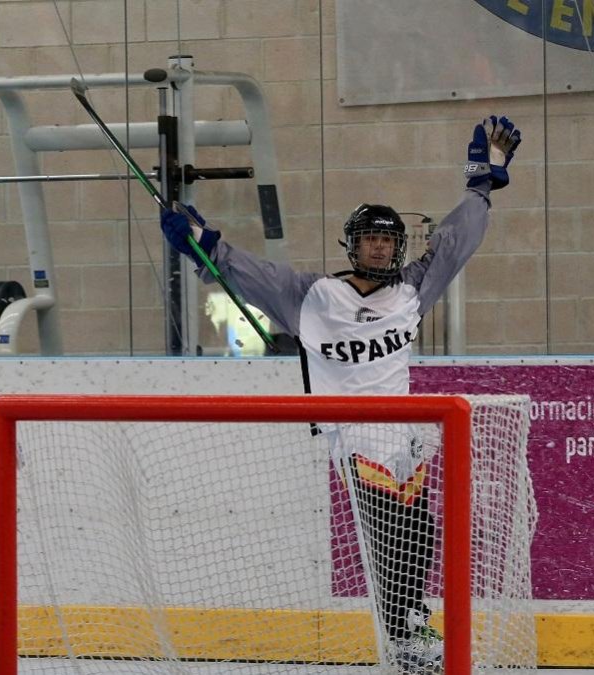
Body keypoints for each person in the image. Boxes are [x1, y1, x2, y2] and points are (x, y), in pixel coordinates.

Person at [160, 116, 522, 674]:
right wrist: (202, 243)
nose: (378, 248)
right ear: (353, 245)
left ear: (398, 246)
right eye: (369, 239)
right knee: (390, 533)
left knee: (419, 531)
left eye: (386, 239)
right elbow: (242, 270)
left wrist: (480, 186)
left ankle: (410, 627)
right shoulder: (311, 295)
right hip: (352, 433)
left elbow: (456, 244)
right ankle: (405, 631)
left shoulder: (413, 290)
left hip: (404, 430)